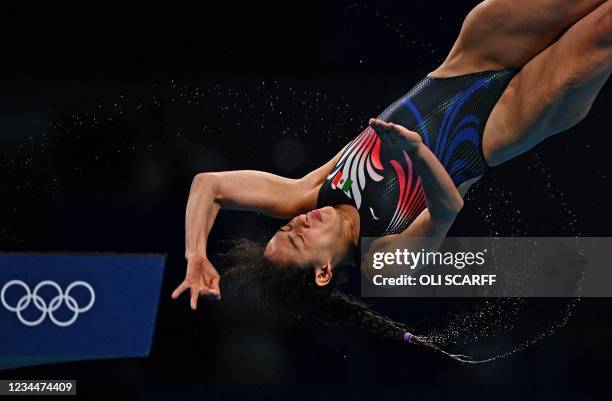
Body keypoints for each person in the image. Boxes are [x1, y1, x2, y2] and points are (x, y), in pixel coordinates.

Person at [171, 0, 612, 351]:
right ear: (324, 272)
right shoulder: (381, 265)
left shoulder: (308, 195)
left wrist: (196, 254)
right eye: (298, 238)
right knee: (603, 28)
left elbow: (208, 184)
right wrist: (417, 152)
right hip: (507, 120)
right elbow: (445, 210)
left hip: (473, 54)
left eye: (287, 226)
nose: (298, 222)